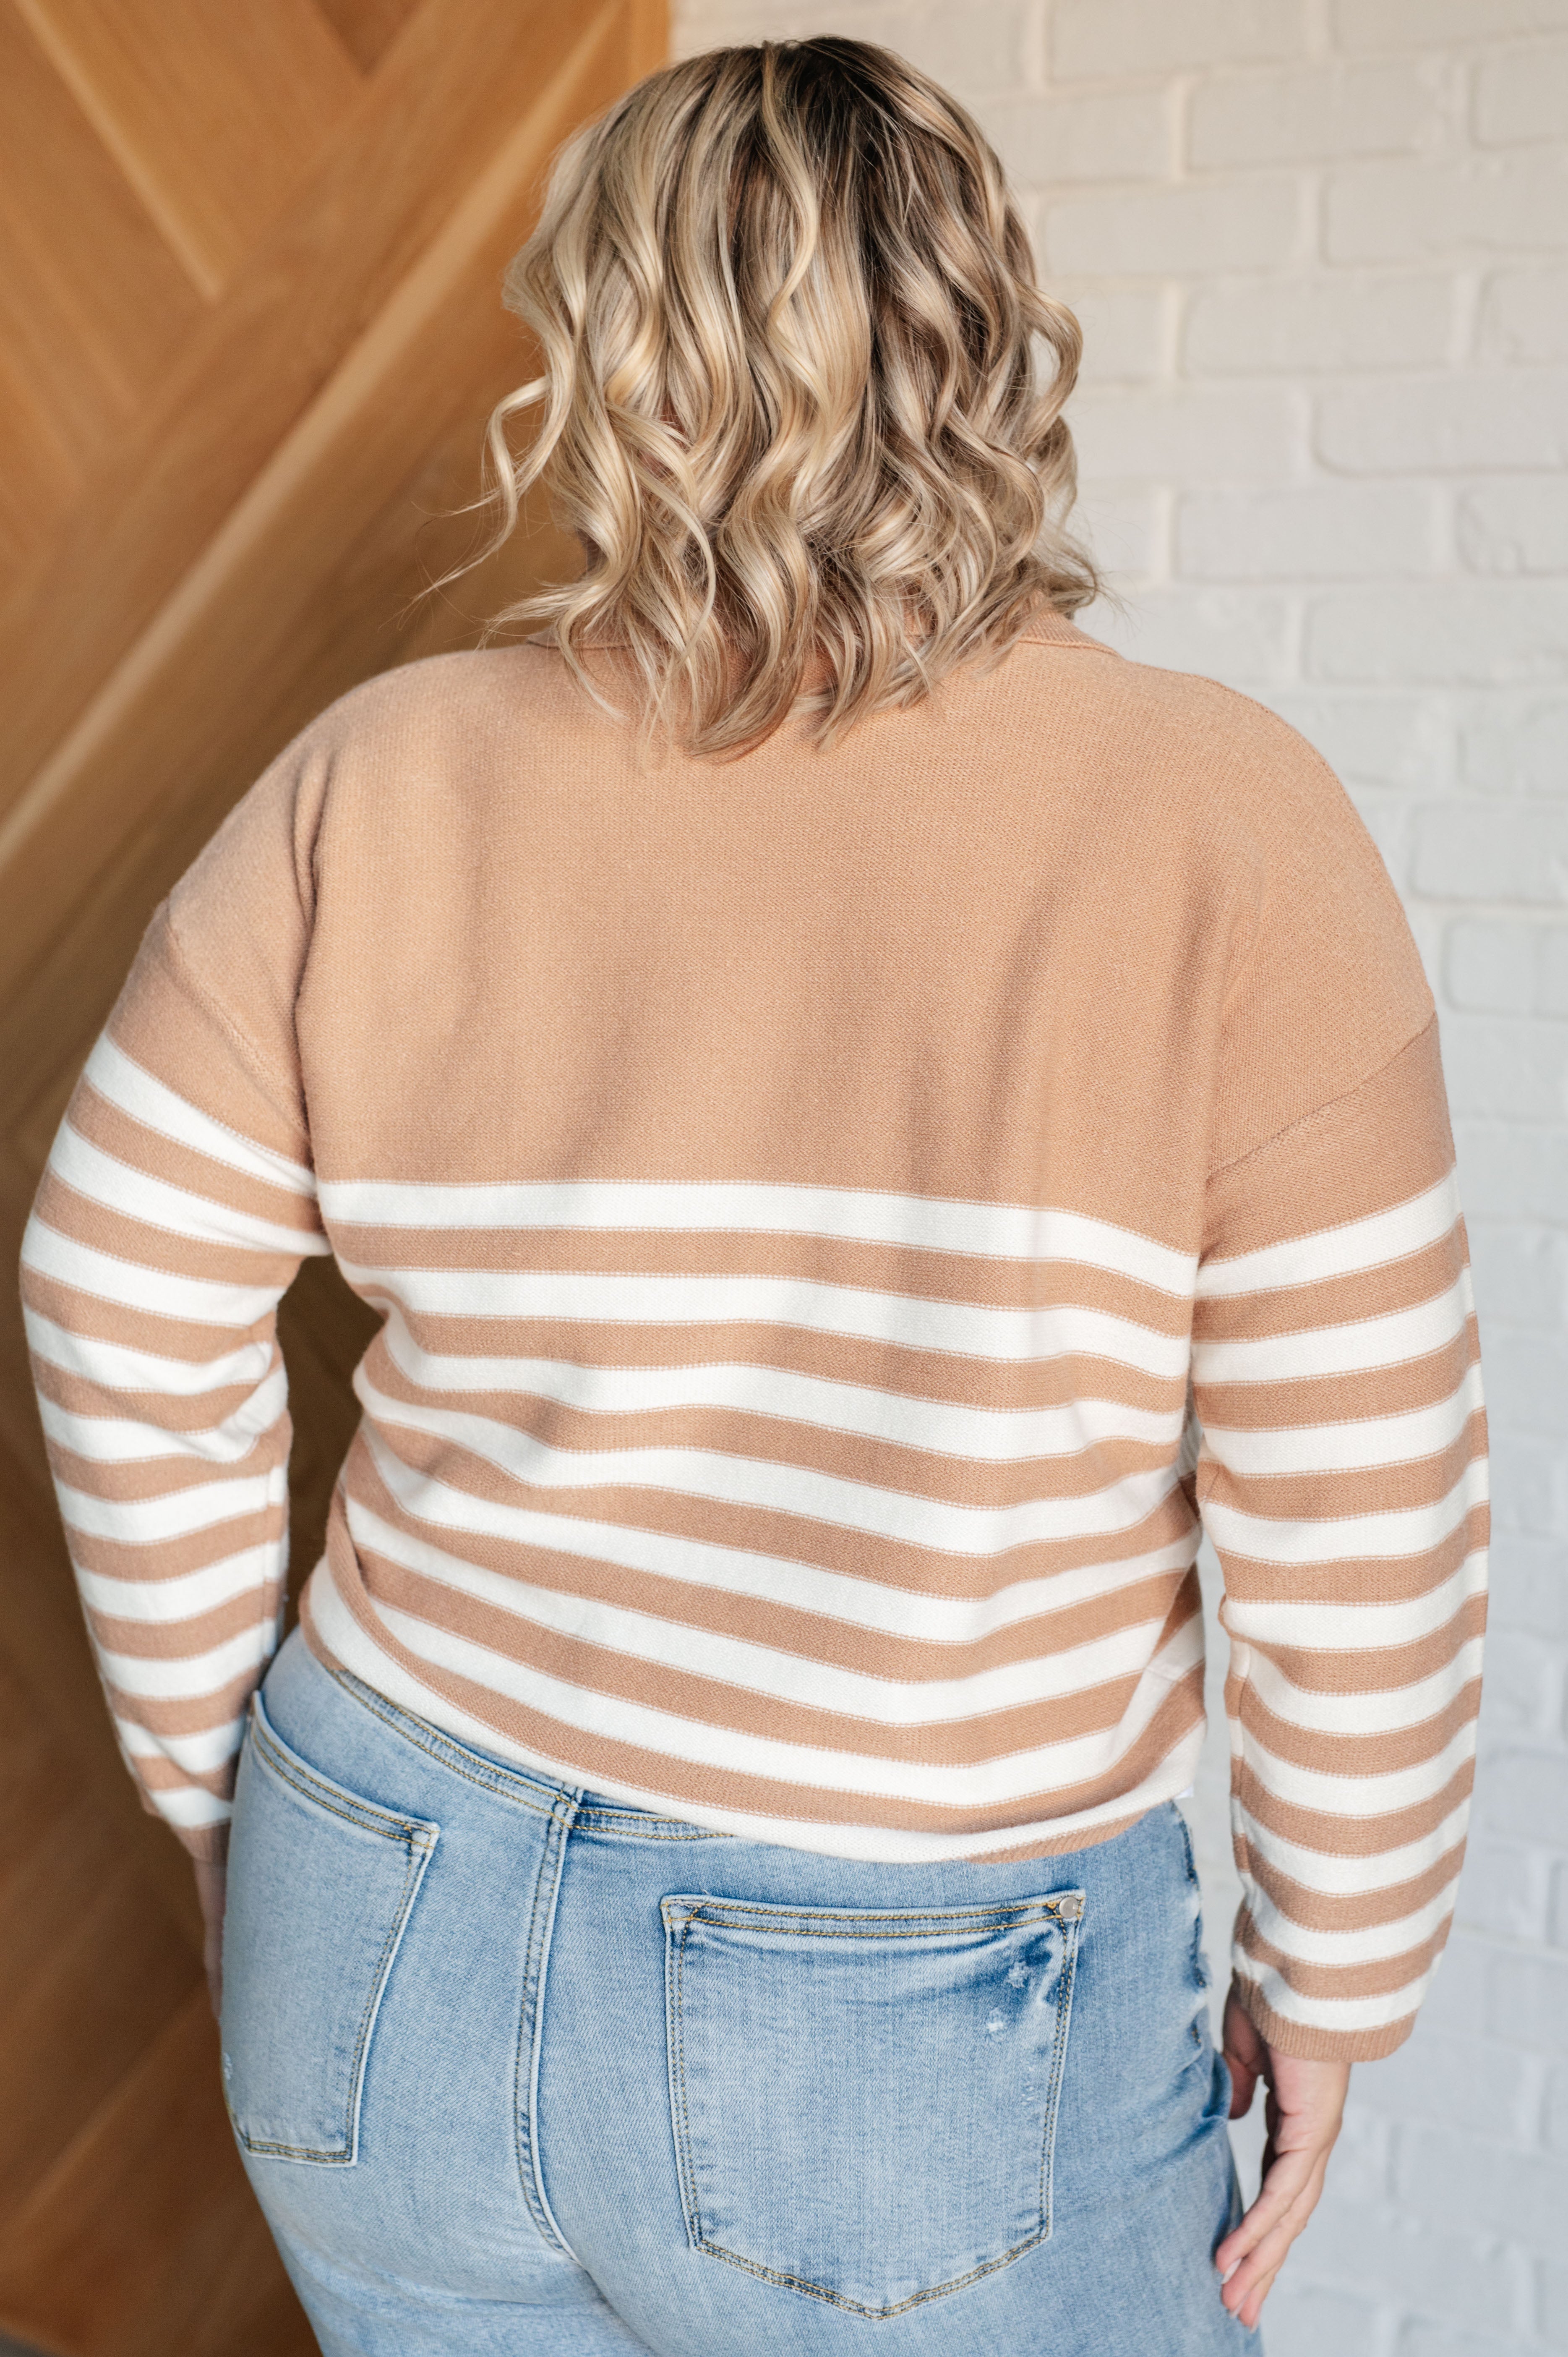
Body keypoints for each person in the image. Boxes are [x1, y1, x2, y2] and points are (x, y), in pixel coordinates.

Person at [21, 37, 1487, 2357]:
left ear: (603, 350)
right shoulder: (1228, 827)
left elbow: (111, 1282)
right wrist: (1337, 1975)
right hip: (907, 2004)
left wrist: (232, 1808)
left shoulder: (378, 778)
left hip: (380, 1894)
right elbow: (1360, 1491)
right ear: (985, 331)